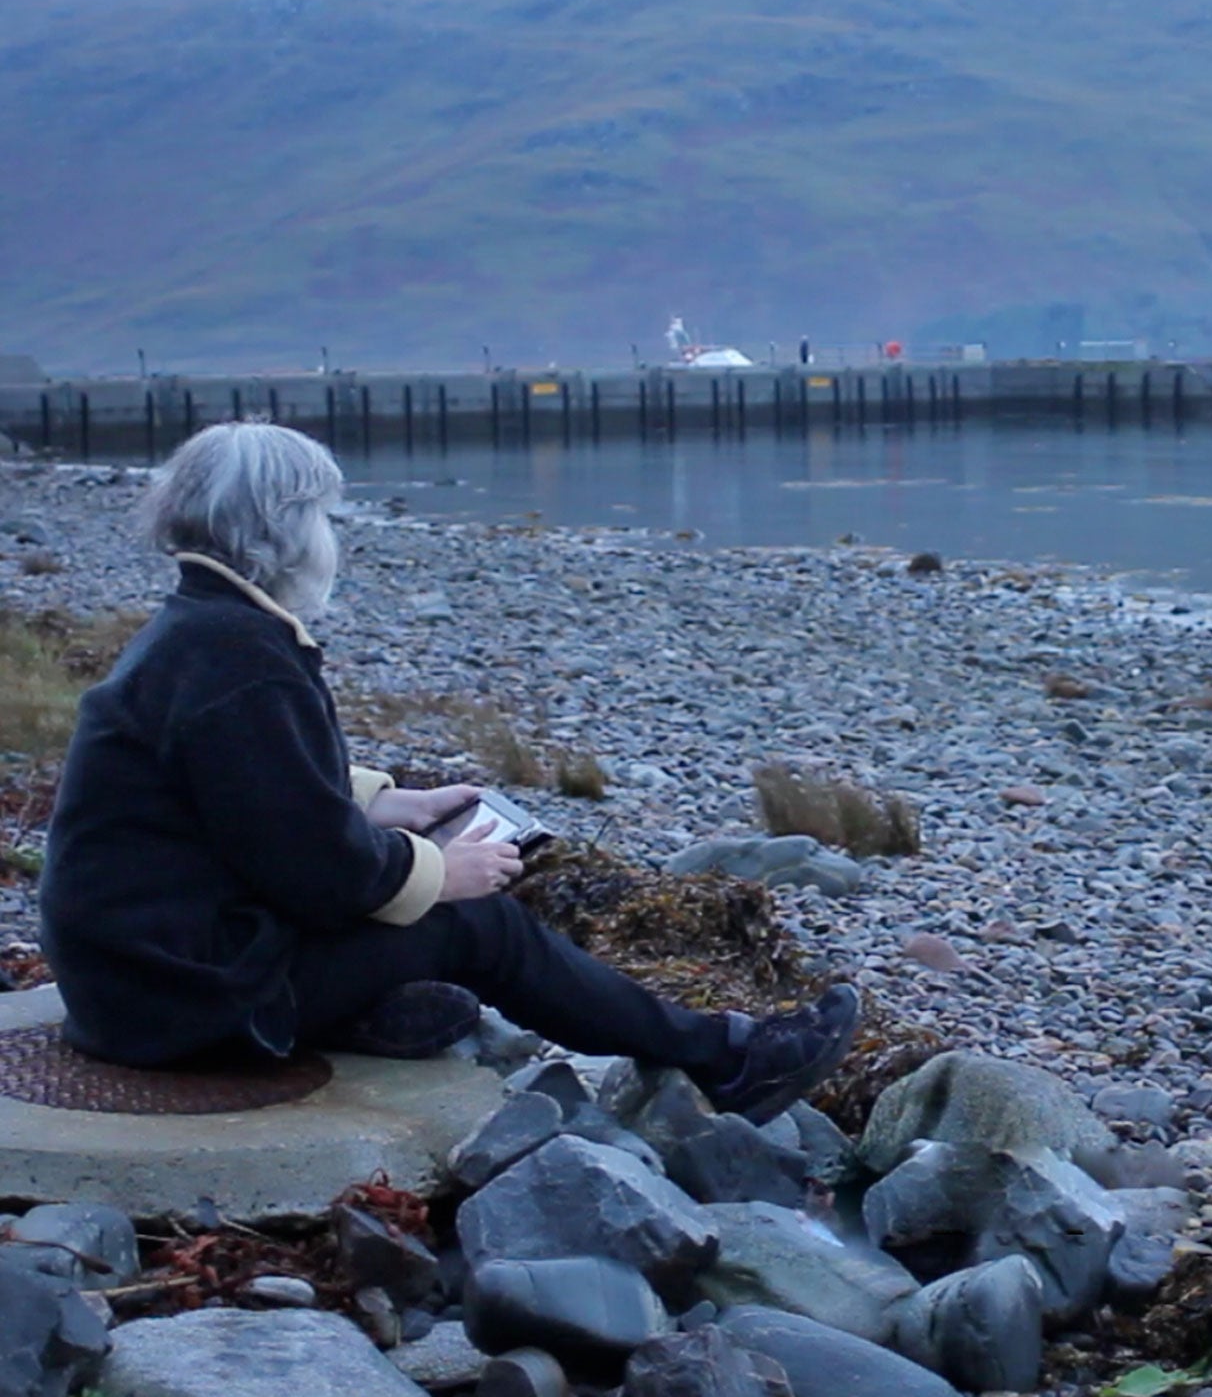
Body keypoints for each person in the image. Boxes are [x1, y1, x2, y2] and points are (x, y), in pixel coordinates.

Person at [37, 420, 858, 1124]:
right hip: (186, 1000)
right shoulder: (237, 656)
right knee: (483, 927)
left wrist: (389, 805)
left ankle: (366, 1015)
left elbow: (242, 797)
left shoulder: (200, 630)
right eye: (323, 515)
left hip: (140, 979)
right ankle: (731, 1060)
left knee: (440, 927)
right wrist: (443, 872)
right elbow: (318, 874)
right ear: (280, 530)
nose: (334, 535)